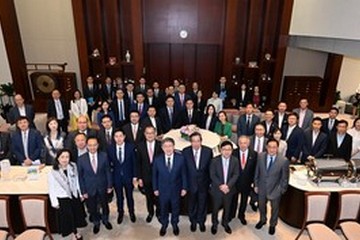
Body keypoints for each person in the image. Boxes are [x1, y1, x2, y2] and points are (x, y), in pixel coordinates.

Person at [48, 149, 87, 240]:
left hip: (74, 194)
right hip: (63, 197)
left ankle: (76, 230)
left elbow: (77, 181)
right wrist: (54, 202)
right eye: (62, 157)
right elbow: (52, 188)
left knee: (75, 214)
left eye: (67, 157)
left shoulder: (73, 166)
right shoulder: (53, 171)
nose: (65, 159)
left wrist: (80, 194)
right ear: (58, 158)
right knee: (69, 217)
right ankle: (74, 234)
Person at [152, 138, 187, 236]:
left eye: (170, 146)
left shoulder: (180, 158)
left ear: (174, 147)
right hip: (162, 190)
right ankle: (164, 224)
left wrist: (184, 187)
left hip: (176, 189)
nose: (168, 149)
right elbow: (154, 175)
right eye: (165, 146)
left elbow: (184, 174)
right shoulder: (157, 160)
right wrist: (155, 188)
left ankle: (175, 224)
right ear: (162, 148)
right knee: (163, 208)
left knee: (176, 208)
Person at [77, 137, 113, 234]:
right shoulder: (81, 159)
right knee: (92, 207)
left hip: (103, 186)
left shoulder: (104, 156)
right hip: (89, 188)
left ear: (98, 145)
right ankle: (96, 222)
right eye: (90, 145)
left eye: (94, 145)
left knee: (105, 205)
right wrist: (83, 191)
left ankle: (106, 220)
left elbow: (108, 171)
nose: (92, 147)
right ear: (87, 146)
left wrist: (110, 185)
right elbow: (80, 177)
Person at [254, 139, 289, 235]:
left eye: (274, 147)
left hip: (275, 190)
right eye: (269, 147)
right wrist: (256, 184)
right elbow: (257, 171)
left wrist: (281, 190)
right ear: (266, 147)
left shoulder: (283, 160)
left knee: (275, 209)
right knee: (261, 206)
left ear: (277, 148)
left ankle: (272, 224)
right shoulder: (261, 156)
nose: (272, 149)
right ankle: (262, 219)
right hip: (261, 188)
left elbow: (285, 178)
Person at [182, 132, 213, 232]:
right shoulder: (185, 151)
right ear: (190, 142)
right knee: (191, 203)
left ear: (201, 141)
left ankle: (201, 221)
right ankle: (193, 221)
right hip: (190, 184)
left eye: (198, 141)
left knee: (202, 203)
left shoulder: (208, 151)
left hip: (203, 183)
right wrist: (184, 185)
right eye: (193, 141)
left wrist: (210, 183)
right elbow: (184, 170)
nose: (196, 143)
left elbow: (210, 168)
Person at [107, 129, 137, 224]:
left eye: (120, 136)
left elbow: (134, 162)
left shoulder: (131, 147)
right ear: (114, 138)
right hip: (116, 177)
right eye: (116, 136)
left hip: (128, 176)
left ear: (124, 136)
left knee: (130, 196)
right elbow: (109, 165)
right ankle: (120, 213)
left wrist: (135, 176)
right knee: (119, 197)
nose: (119, 138)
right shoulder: (110, 148)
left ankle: (132, 212)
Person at [210, 141, 239, 235]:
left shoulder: (235, 160)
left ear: (232, 150)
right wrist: (221, 185)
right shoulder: (214, 160)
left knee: (227, 208)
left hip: (229, 190)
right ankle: (214, 224)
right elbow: (212, 175)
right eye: (224, 149)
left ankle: (225, 223)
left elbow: (236, 174)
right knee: (215, 209)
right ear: (220, 150)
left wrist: (228, 186)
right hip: (217, 190)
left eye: (229, 149)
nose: (227, 152)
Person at [136, 126, 163, 223]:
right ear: (145, 134)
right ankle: (150, 212)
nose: (150, 135)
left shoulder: (161, 145)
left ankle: (159, 213)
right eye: (148, 133)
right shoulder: (140, 146)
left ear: (155, 134)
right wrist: (139, 177)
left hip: (159, 177)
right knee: (149, 196)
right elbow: (138, 163)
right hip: (146, 176)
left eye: (152, 133)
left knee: (159, 196)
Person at [231, 135, 257, 224]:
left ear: (248, 143)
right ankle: (232, 214)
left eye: (245, 143)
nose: (243, 145)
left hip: (247, 182)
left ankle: (241, 215)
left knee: (244, 200)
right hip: (235, 182)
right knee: (234, 199)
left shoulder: (254, 154)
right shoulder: (233, 153)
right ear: (238, 143)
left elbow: (255, 169)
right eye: (241, 143)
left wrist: (254, 182)